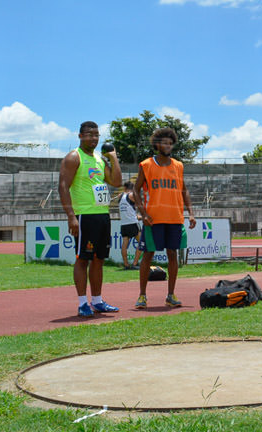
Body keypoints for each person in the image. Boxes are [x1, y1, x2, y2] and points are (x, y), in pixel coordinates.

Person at [58, 121, 122, 317]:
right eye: (89, 134)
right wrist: (71, 217)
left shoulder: (100, 159)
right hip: (84, 216)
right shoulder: (73, 157)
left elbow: (117, 182)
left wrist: (114, 158)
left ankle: (98, 301)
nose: (94, 138)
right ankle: (82, 303)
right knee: (83, 259)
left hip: (102, 214)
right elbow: (63, 186)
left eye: (97, 135)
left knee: (99, 259)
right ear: (80, 136)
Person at [134, 127, 197, 309]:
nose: (168, 146)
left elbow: (184, 190)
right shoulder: (146, 165)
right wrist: (143, 213)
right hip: (153, 219)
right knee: (148, 255)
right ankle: (142, 296)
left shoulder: (178, 166)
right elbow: (136, 190)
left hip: (175, 218)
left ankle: (171, 295)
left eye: (170, 143)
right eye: (164, 142)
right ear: (156, 144)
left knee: (173, 255)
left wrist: (191, 213)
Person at [118, 182, 143, 270]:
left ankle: (126, 265)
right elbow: (139, 204)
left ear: (125, 188)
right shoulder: (132, 195)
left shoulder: (120, 196)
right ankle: (135, 263)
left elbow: (129, 211)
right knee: (142, 243)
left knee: (124, 245)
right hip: (133, 223)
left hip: (124, 224)